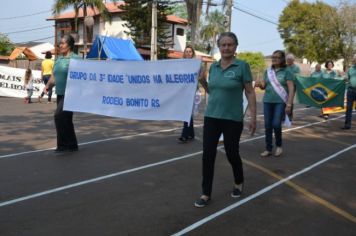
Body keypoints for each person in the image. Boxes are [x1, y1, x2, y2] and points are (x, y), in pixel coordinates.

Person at [194, 32, 256, 208]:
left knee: (231, 153)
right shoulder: (213, 67)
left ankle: (238, 181)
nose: (226, 48)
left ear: (235, 47)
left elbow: (250, 92)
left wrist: (252, 116)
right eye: (223, 45)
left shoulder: (242, 66)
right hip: (212, 116)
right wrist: (203, 81)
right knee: (208, 155)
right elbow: (213, 91)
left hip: (233, 118)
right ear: (219, 47)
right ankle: (206, 193)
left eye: (230, 45)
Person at [44, 34, 80, 153]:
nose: (60, 45)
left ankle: (64, 144)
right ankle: (71, 144)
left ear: (69, 45)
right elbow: (54, 76)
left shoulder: (76, 59)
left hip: (71, 94)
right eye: (60, 43)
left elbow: (84, 76)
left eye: (63, 43)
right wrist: (48, 86)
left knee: (58, 116)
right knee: (66, 119)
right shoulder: (58, 59)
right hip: (60, 93)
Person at [255, 50, 295, 158]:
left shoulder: (287, 71)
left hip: (280, 102)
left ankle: (278, 145)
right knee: (268, 125)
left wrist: (289, 104)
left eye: (277, 57)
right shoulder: (268, 71)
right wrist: (260, 85)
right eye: (273, 57)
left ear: (282, 59)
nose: (275, 59)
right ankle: (268, 148)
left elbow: (291, 88)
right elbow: (264, 86)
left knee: (276, 124)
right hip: (267, 100)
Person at [178, 46, 196, 143]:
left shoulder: (196, 64)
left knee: (187, 113)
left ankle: (184, 135)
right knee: (188, 113)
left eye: (190, 51)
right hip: (184, 92)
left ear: (192, 53)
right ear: (184, 53)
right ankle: (191, 134)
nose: (188, 53)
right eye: (187, 51)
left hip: (193, 92)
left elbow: (201, 75)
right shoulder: (181, 64)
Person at [341, 55, 356, 130]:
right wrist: (345, 78)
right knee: (349, 108)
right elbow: (346, 78)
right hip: (350, 90)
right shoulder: (350, 69)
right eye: (355, 59)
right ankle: (347, 125)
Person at [286, 53, 299, 120]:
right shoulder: (285, 66)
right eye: (287, 59)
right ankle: (284, 115)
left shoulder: (296, 68)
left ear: (293, 60)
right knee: (284, 99)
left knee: (290, 101)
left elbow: (297, 77)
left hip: (293, 86)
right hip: (285, 85)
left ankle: (290, 115)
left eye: (290, 59)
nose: (288, 61)